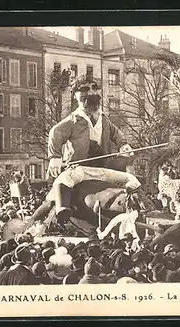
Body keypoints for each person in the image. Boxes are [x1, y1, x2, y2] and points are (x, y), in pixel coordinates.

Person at [28, 77, 139, 228]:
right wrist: (55, 156)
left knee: (131, 179)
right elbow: (56, 132)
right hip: (79, 169)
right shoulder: (74, 120)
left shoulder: (104, 119)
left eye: (94, 88)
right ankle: (63, 209)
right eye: (85, 89)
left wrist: (123, 144)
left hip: (103, 169)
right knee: (63, 180)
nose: (92, 92)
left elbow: (117, 134)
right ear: (75, 95)